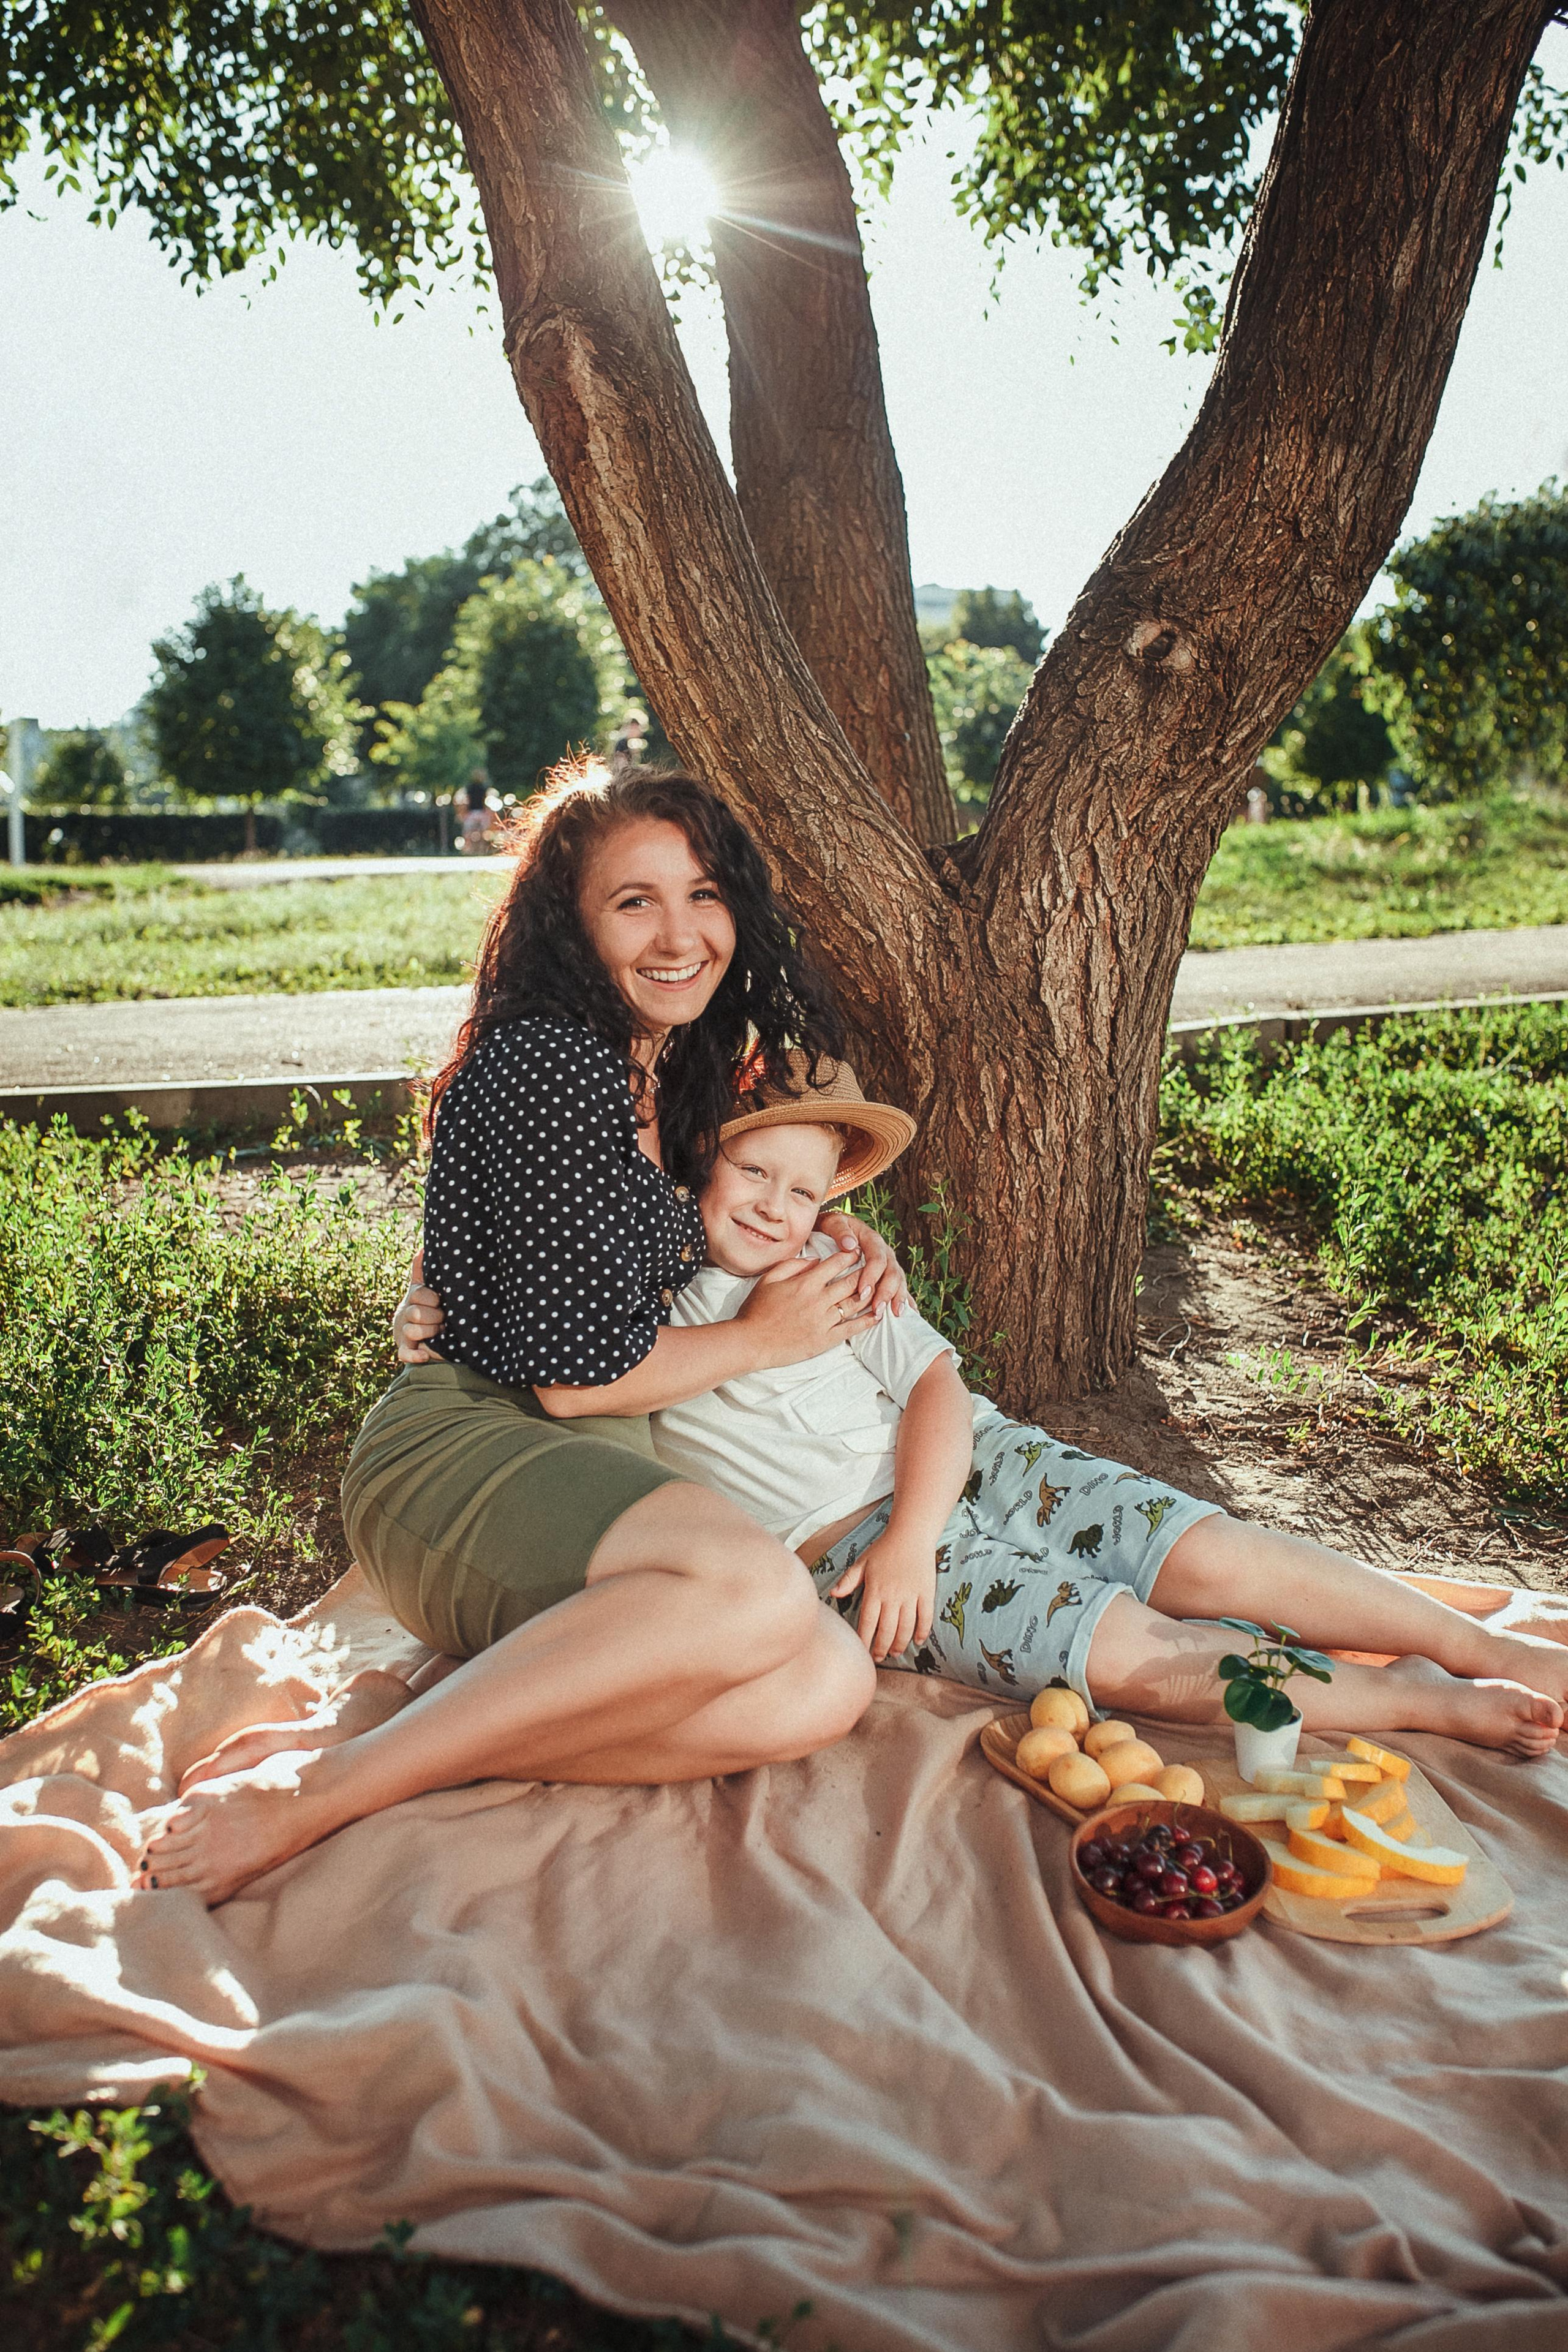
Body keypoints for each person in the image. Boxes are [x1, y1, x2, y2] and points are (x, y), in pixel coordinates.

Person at [137, 761, 908, 1905]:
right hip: (467, 1449)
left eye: (704, 894)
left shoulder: (673, 1068)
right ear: (572, 922)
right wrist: (767, 1337)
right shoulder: (553, 1060)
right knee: (756, 1596)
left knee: (826, 1686)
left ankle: (417, 1739)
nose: (680, 932)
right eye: (634, 899)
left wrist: (838, 1231)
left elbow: (707, 1212)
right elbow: (567, 1379)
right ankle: (325, 1794)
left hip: (595, 1466)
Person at [401, 1058, 1567, 1758]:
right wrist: (436, 1315)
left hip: (968, 1467)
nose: (776, 1205)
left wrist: (921, 1522)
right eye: (753, 1172)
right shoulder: (635, 1286)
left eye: (806, 1190)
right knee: (1138, 1659)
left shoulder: (835, 1265)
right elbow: (553, 1350)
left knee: (1203, 1555)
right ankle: (1408, 1699)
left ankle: (1465, 1640)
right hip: (845, 1553)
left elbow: (937, 1389)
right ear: (700, 1163)